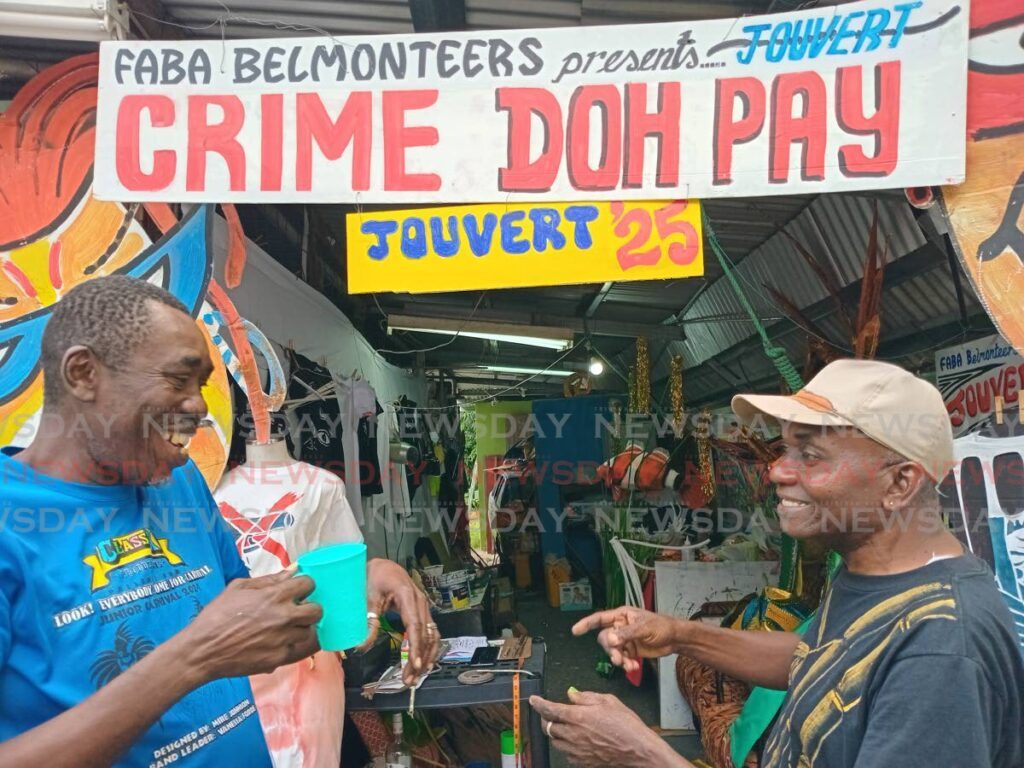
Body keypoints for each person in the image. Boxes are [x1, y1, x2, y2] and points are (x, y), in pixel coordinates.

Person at [0, 275, 439, 767]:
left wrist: (369, 579)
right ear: (83, 373)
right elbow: (209, 647)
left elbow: (253, 625)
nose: (201, 407)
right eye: (178, 379)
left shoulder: (178, 484)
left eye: (203, 384)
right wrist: (192, 659)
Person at [531, 359, 1024, 767]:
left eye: (810, 454)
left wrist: (642, 754)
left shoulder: (942, 649)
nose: (776, 471)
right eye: (786, 449)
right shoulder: (876, 579)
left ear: (899, 484)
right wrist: (681, 634)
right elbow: (815, 658)